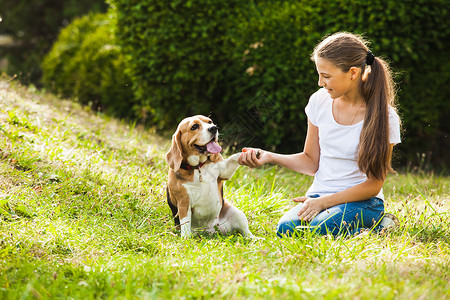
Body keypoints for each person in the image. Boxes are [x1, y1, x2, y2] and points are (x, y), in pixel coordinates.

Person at [239, 32, 401, 237]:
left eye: (326, 76)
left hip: (364, 203)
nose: (320, 82)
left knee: (313, 230)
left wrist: (323, 203)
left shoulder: (385, 116)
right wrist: (270, 156)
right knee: (286, 229)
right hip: (319, 197)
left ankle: (377, 225)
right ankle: (363, 232)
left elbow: (373, 184)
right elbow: (310, 161)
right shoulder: (319, 102)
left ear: (352, 73)